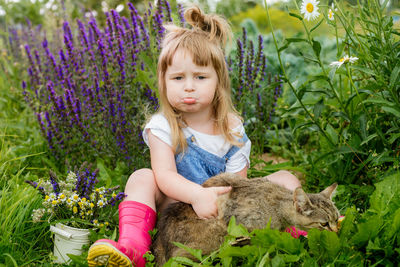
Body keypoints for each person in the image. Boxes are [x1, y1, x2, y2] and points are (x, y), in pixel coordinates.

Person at [87, 5, 302, 267]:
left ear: (218, 82)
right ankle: (134, 248)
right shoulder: (163, 126)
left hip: (220, 210)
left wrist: (217, 202)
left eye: (200, 77)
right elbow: (165, 176)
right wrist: (197, 196)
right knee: (142, 178)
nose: (188, 86)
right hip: (175, 209)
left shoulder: (232, 130)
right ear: (164, 82)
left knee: (285, 178)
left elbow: (239, 186)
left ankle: (298, 233)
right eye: (178, 78)